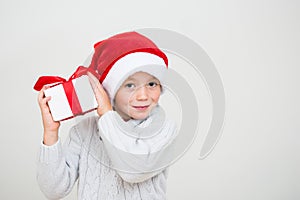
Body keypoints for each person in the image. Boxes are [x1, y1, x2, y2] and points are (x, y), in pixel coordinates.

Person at [36, 31, 177, 200]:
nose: (143, 96)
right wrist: (50, 134)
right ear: (108, 90)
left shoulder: (163, 129)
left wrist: (106, 114)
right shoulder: (84, 131)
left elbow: (133, 171)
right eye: (130, 85)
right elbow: (54, 190)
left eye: (152, 84)